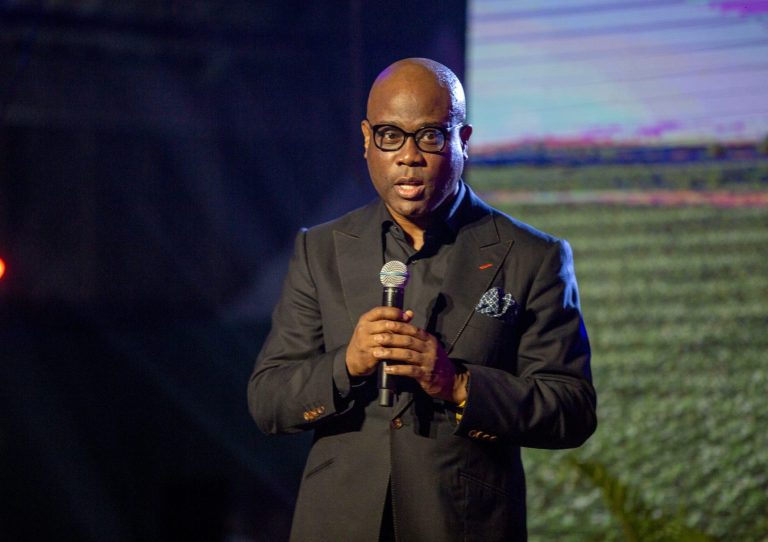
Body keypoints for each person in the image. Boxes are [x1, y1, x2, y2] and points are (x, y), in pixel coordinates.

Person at [247, 58, 596, 542]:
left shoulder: (532, 256)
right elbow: (269, 400)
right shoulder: (321, 248)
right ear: (367, 140)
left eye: (430, 136)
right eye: (391, 136)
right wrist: (347, 364)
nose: (408, 156)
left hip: (461, 524)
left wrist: (457, 385)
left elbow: (571, 408)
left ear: (463, 141)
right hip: (338, 523)